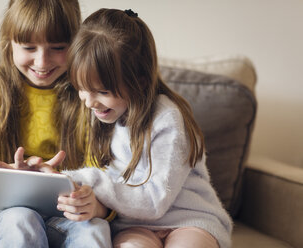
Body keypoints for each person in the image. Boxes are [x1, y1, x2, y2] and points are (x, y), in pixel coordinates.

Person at [57, 8, 233, 248]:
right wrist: (56, 179)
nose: (88, 101)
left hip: (189, 219)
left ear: (138, 81)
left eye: (102, 92)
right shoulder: (102, 114)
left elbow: (154, 201)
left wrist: (82, 179)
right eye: (81, 88)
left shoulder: (167, 118)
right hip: (133, 226)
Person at [0, 0, 113, 247]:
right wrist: (10, 182)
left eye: (58, 47)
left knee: (95, 228)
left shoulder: (90, 92)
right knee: (21, 219)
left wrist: (96, 205)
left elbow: (105, 175)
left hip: (68, 214)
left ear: (76, 44)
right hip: (1, 214)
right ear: (10, 43)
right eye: (29, 47)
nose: (41, 62)